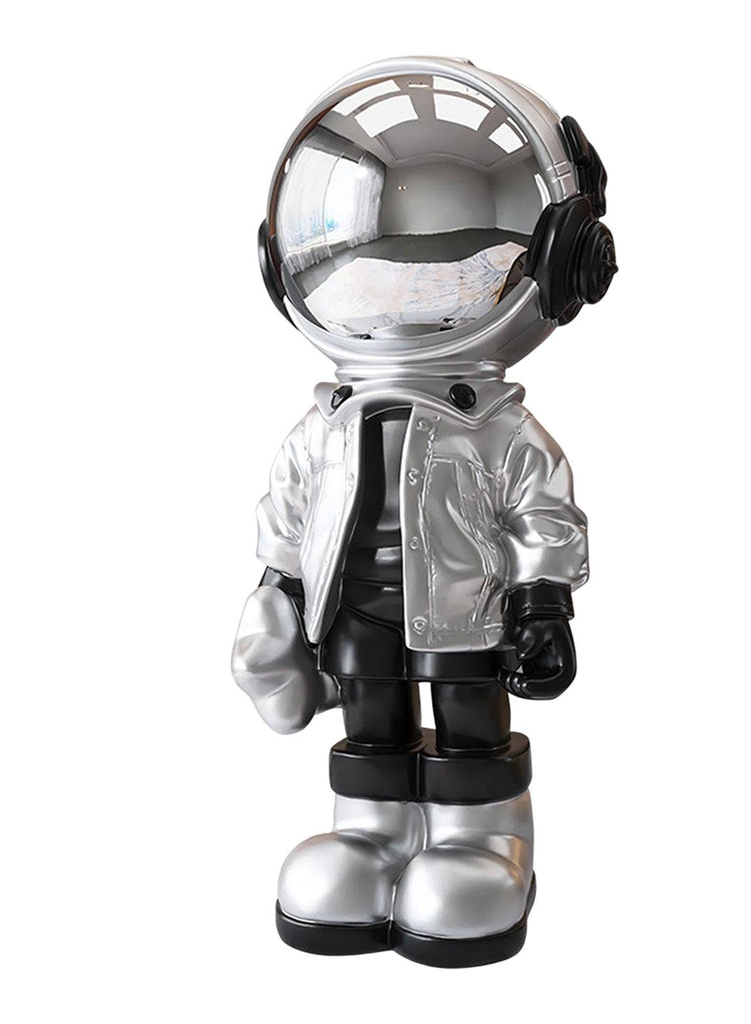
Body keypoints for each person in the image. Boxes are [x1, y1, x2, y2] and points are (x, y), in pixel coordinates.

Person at [232, 56, 617, 967]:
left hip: (465, 610)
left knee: (468, 719)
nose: (398, 292)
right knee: (370, 719)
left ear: (563, 262)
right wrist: (279, 592)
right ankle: (370, 834)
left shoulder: (499, 429)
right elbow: (289, 513)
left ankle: (486, 843)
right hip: (352, 608)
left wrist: (542, 604)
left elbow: (541, 515)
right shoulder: (322, 428)